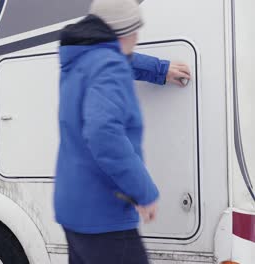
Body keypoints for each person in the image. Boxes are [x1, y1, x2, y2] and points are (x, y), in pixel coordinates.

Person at [53, 0, 191, 263]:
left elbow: (119, 60)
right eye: (134, 30)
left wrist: (160, 70)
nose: (137, 38)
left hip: (74, 209)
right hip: (104, 213)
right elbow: (104, 135)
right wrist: (144, 192)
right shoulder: (109, 66)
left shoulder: (81, 58)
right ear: (121, 33)